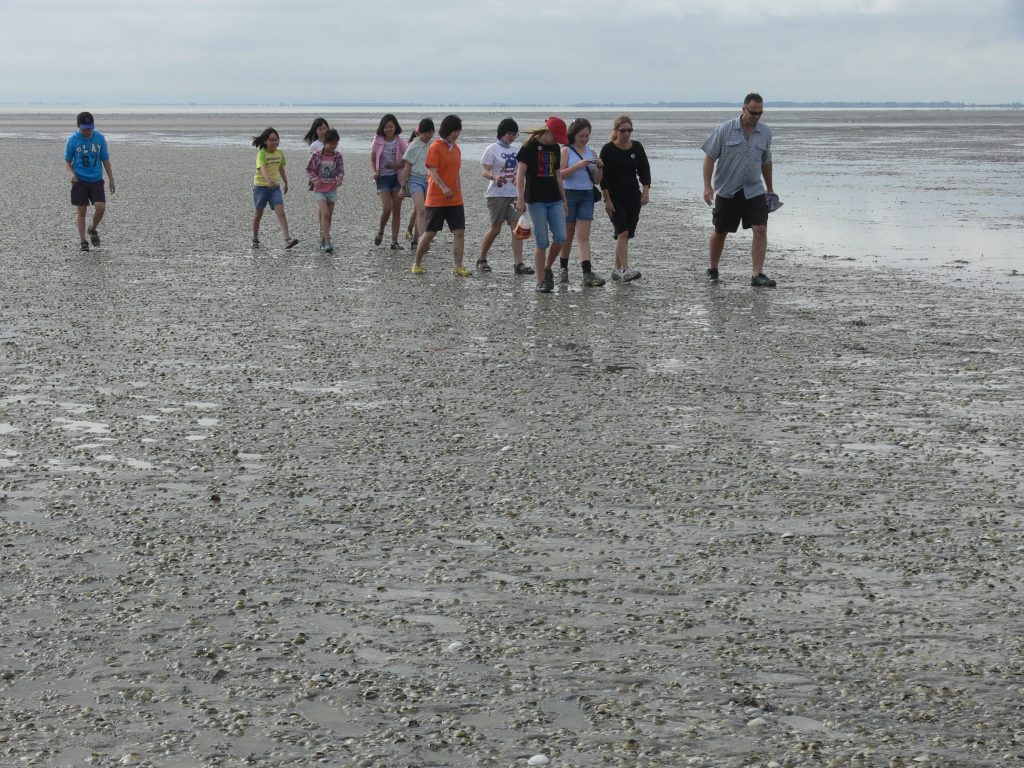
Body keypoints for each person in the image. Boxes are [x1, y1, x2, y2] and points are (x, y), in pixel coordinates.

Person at [702, 93, 777, 287]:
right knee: (721, 230)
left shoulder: (765, 132)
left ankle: (757, 274)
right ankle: (713, 268)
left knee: (760, 228)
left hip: (754, 190)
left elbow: (766, 161)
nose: (756, 116)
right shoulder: (724, 130)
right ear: (743, 109)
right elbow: (710, 157)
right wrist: (707, 186)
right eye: (753, 112)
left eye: (760, 113)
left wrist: (770, 189)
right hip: (728, 189)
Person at [411, 114, 471, 277]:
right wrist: (444, 187)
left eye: (458, 131)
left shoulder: (456, 149)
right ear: (446, 130)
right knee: (430, 232)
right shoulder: (435, 147)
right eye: (453, 131)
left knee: (459, 231)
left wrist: (458, 189)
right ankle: (417, 263)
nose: (456, 134)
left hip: (455, 199)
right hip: (437, 198)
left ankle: (458, 266)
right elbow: (432, 170)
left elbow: (456, 172)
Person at [515, 117, 569, 293]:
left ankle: (547, 268)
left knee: (561, 237)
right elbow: (520, 175)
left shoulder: (555, 148)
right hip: (536, 201)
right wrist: (520, 198)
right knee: (542, 242)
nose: (556, 141)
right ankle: (540, 282)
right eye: (556, 137)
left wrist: (564, 200)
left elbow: (558, 175)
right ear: (548, 131)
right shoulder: (529, 146)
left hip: (554, 199)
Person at [599, 115, 650, 282]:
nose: (626, 133)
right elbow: (603, 178)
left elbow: (644, 170)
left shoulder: (637, 147)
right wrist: (607, 200)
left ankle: (616, 270)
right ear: (616, 131)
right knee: (622, 231)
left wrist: (646, 190)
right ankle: (626, 269)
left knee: (625, 235)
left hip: (633, 196)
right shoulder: (608, 149)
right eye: (623, 130)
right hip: (614, 197)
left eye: (629, 130)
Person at [479, 117, 532, 276]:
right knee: (495, 229)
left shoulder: (516, 150)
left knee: (517, 229)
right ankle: (482, 258)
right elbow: (484, 170)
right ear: (501, 133)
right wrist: (494, 177)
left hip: (514, 194)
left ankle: (519, 264)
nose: (512, 137)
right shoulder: (491, 149)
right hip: (496, 195)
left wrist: (518, 177)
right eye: (509, 133)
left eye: (514, 134)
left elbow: (521, 170)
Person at [560, 118, 606, 287]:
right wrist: (576, 167)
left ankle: (587, 273)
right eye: (581, 136)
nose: (585, 139)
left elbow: (596, 180)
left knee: (583, 236)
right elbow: (559, 175)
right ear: (573, 134)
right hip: (569, 194)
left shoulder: (591, 152)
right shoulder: (565, 151)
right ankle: (563, 269)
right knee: (567, 234)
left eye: (587, 136)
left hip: (587, 194)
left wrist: (600, 167)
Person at [64, 111, 116, 252]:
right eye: (84, 128)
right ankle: (83, 242)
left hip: (96, 180)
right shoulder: (73, 140)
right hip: (79, 180)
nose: (88, 131)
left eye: (90, 128)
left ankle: (92, 229)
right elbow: (68, 160)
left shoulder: (99, 138)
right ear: (79, 126)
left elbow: (105, 159)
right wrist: (72, 173)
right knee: (81, 210)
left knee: (100, 207)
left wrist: (111, 179)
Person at [251, 127, 298, 250]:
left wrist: (286, 182)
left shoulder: (279, 154)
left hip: (274, 189)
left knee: (281, 212)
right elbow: (262, 167)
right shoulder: (261, 153)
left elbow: (281, 168)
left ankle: (287, 239)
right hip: (260, 188)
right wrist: (268, 179)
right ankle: (255, 238)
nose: (274, 142)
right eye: (272, 140)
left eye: (276, 140)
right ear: (266, 141)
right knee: (258, 214)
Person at [370, 114, 408, 249]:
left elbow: (407, 161)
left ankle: (394, 241)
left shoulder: (400, 142)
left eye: (391, 126)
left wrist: (395, 166)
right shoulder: (378, 140)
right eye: (386, 127)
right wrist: (374, 172)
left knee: (397, 210)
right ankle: (380, 230)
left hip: (396, 179)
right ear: (382, 128)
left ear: (395, 127)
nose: (388, 129)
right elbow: (372, 160)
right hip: (382, 179)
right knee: (387, 208)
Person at [306, 129, 345, 253]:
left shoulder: (337, 156)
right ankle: (328, 242)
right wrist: (314, 179)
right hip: (319, 189)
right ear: (325, 142)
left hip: (332, 188)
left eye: (335, 144)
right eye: (331, 143)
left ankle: (323, 240)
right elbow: (309, 169)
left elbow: (340, 170)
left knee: (330, 216)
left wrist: (339, 177)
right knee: (325, 213)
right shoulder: (317, 154)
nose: (333, 146)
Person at [399, 118, 435, 251]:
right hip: (415, 180)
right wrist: (403, 186)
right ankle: (423, 240)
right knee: (421, 210)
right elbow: (406, 166)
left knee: (423, 211)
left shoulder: (433, 145)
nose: (427, 135)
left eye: (430, 132)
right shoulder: (414, 145)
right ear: (419, 132)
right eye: (424, 132)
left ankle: (416, 239)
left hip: (429, 181)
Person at [304, 117, 330, 242]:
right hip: (319, 180)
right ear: (316, 131)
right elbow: (311, 165)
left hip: (330, 180)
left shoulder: (332, 142)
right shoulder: (315, 146)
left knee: (328, 208)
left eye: (325, 128)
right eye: (320, 128)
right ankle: (323, 230)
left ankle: (324, 229)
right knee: (322, 207)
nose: (323, 131)